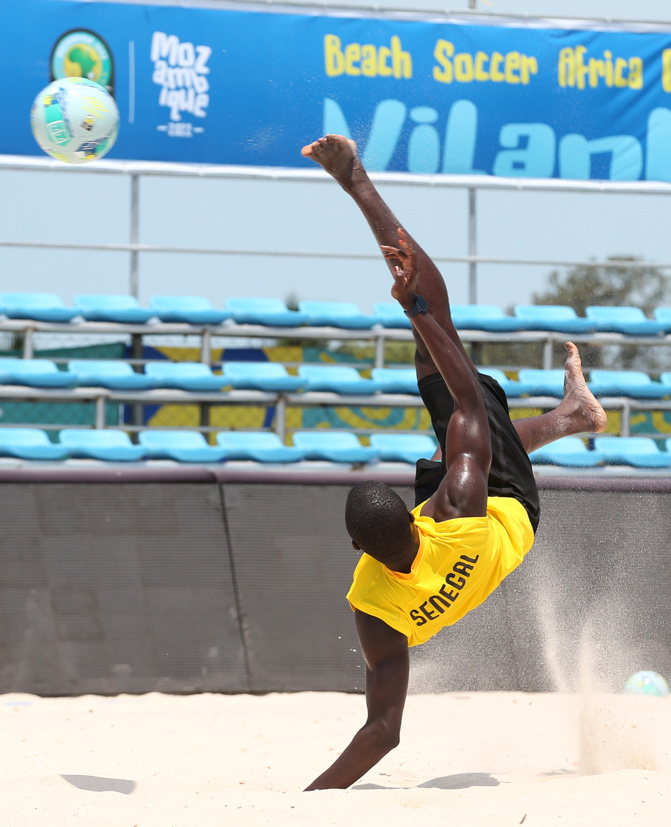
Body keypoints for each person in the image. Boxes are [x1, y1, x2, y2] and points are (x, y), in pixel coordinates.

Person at [300, 135, 608, 791]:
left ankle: (573, 419)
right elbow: (464, 385)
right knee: (441, 359)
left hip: (495, 554)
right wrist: (418, 314)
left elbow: (383, 731)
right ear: (419, 515)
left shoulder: (371, 605)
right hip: (502, 513)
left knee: (455, 437)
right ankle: (357, 178)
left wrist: (314, 796)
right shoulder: (458, 499)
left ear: (359, 547)